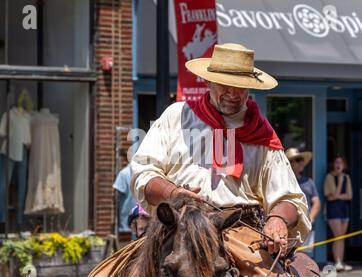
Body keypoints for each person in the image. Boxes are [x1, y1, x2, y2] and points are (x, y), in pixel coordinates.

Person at [131, 43, 311, 259]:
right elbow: (144, 173)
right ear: (208, 81)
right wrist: (173, 193)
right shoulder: (177, 116)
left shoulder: (262, 133)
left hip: (241, 237)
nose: (232, 93)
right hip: (176, 230)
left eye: (240, 86)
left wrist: (278, 219)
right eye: (224, 84)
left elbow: (290, 198)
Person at [286, 148, 320, 256]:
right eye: (297, 159)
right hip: (288, 227)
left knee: (304, 256)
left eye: (301, 159)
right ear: (290, 163)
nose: (301, 162)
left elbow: (316, 202)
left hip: (306, 227)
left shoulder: (309, 182)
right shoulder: (283, 182)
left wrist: (310, 219)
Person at [324, 155, 353, 272]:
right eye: (337, 162)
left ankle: (341, 261)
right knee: (338, 236)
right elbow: (331, 197)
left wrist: (337, 196)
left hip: (344, 210)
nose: (338, 165)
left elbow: (349, 196)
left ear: (344, 165)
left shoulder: (347, 177)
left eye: (341, 162)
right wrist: (340, 182)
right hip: (333, 211)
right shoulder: (329, 177)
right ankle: (337, 262)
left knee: (342, 238)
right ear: (333, 164)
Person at [113, 164, 136, 233]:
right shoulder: (125, 173)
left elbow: (117, 194)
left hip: (136, 221)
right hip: (128, 222)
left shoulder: (124, 173)